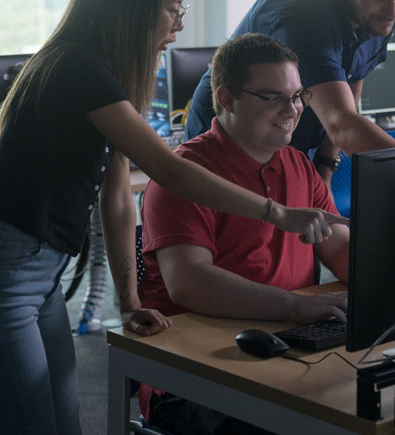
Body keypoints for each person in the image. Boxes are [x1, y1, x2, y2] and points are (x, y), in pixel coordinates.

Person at [0, 0, 341, 435]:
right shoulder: (76, 67)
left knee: (65, 425)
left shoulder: (104, 74)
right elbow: (166, 170)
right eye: (172, 8)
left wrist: (128, 300)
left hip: (37, 275)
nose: (180, 22)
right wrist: (275, 212)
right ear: (132, 7)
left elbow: (116, 194)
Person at [137, 33, 350, 433]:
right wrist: (294, 307)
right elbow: (189, 283)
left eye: (298, 96)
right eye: (273, 97)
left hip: (286, 353)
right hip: (193, 377)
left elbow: (341, 251)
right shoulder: (184, 175)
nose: (293, 110)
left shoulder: (299, 166)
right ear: (227, 99)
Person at [183, 0, 395, 183]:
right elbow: (341, 123)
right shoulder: (303, 18)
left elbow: (353, 82)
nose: (392, 11)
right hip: (227, 147)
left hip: (285, 148)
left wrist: (325, 167)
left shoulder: (377, 12)